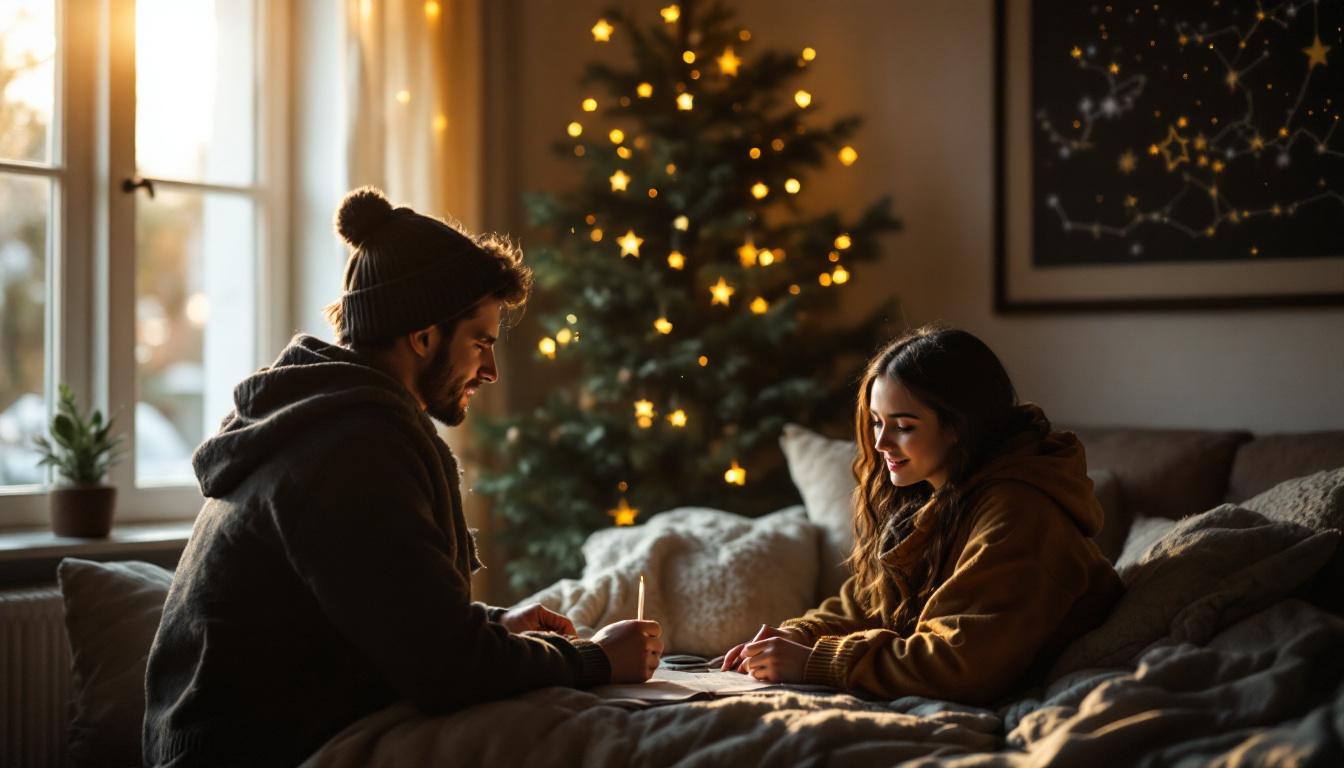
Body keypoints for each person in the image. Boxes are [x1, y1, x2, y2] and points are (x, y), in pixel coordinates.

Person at [143, 187, 663, 767]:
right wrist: (595, 659)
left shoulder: (330, 422)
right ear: (422, 336)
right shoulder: (349, 449)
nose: (490, 371)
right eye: (481, 343)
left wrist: (493, 624)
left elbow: (371, 609)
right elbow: (446, 670)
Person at [721, 325, 1123, 705]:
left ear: (959, 427)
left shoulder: (1021, 513)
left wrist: (815, 661)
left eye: (904, 426)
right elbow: (870, 604)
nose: (880, 442)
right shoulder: (932, 497)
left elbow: (961, 663)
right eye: (877, 422)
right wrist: (799, 634)